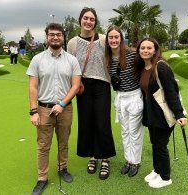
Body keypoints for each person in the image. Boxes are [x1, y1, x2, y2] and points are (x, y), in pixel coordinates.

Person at [26, 23, 81, 195]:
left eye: (58, 34)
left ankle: (62, 168)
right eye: (52, 34)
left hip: (65, 109)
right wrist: (33, 111)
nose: (55, 37)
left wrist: (62, 104)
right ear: (47, 37)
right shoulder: (38, 59)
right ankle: (42, 178)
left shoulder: (72, 60)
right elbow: (33, 87)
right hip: (43, 109)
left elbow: (76, 86)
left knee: (63, 142)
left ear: (63, 37)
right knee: (43, 145)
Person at [67, 7, 116, 180]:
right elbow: (71, 67)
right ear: (80, 19)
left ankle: (105, 158)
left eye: (92, 19)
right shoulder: (72, 43)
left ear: (95, 22)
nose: (88, 22)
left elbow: (116, 53)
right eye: (86, 18)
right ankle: (92, 156)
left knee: (102, 123)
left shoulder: (103, 39)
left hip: (102, 85)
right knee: (87, 122)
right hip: (83, 86)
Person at [134, 37, 188, 188]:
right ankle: (157, 170)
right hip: (151, 115)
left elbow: (171, 92)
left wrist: (180, 114)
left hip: (163, 115)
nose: (145, 50)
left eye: (149, 48)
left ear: (155, 50)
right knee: (155, 144)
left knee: (160, 146)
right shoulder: (143, 68)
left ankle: (166, 177)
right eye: (142, 48)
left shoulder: (161, 67)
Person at [105, 26, 144, 177]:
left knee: (135, 132)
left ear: (121, 39)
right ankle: (128, 160)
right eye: (111, 38)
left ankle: (135, 161)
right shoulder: (107, 57)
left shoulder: (132, 54)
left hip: (134, 96)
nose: (114, 40)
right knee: (125, 131)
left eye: (116, 37)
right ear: (107, 40)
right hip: (120, 98)